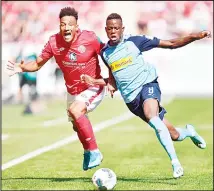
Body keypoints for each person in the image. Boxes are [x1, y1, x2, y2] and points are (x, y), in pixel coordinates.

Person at [80, 13, 211, 178]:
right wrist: (94, 81)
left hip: (147, 85)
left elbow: (170, 43)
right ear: (106, 30)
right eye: (110, 28)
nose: (113, 31)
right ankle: (189, 132)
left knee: (152, 116)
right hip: (132, 100)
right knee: (173, 134)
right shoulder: (105, 53)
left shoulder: (135, 41)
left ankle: (175, 163)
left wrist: (195, 36)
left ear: (122, 29)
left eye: (116, 28)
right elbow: (113, 80)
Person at [6, 7, 107, 171]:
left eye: (70, 24)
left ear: (76, 26)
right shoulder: (53, 42)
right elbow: (37, 64)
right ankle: (88, 150)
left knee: (76, 111)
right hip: (72, 91)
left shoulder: (90, 38)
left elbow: (108, 54)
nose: (66, 28)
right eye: (62, 24)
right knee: (76, 124)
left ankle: (94, 151)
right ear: (59, 26)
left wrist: (111, 80)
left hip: (92, 86)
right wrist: (22, 68)